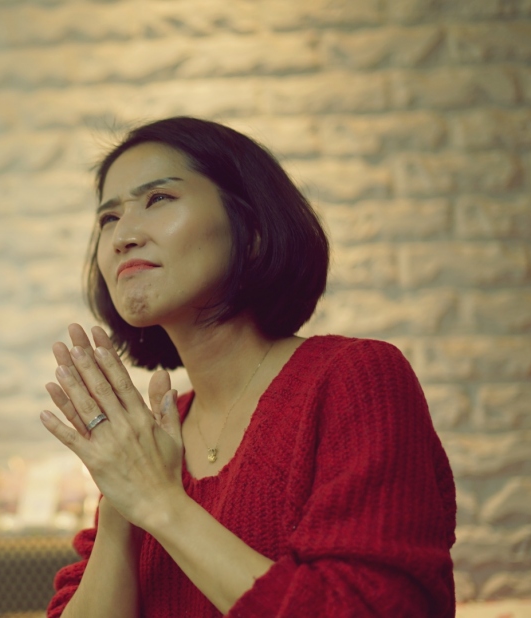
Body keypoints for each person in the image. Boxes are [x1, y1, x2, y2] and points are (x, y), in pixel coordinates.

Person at [39, 117, 456, 617]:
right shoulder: (151, 441)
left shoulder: (354, 379)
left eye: (158, 198)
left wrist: (158, 502)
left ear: (252, 228)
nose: (122, 236)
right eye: (109, 218)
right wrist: (119, 509)